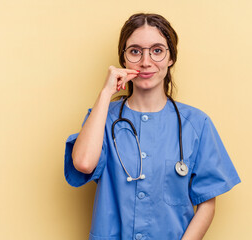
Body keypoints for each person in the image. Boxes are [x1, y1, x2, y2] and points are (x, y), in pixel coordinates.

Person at [64, 13, 241, 240]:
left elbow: (207, 203)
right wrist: (106, 92)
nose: (146, 61)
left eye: (157, 50)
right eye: (135, 51)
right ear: (124, 59)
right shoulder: (102, 118)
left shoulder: (197, 124)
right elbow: (84, 164)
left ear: (170, 58)